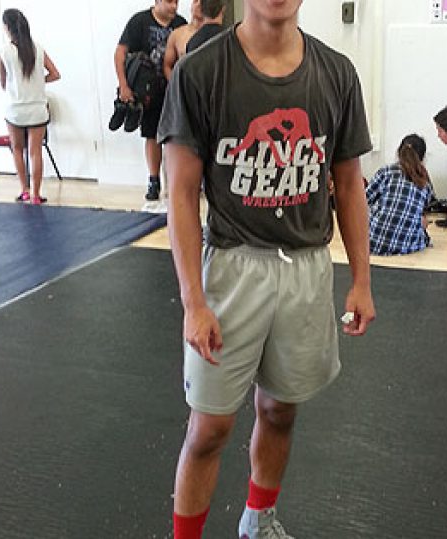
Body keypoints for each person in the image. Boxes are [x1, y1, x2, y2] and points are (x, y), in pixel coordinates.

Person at [158, 0, 376, 537]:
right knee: (210, 427)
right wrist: (193, 303)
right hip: (233, 269)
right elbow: (181, 194)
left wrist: (362, 281)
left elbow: (349, 184)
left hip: (306, 268)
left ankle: (258, 520)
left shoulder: (336, 74)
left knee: (280, 411)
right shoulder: (201, 72)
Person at [114, 0, 187, 202]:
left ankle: (176, 181)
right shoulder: (139, 22)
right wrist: (123, 85)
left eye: (177, 2)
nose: (174, 7)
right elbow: (120, 53)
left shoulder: (181, 24)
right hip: (148, 91)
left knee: (176, 137)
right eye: (170, 1)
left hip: (173, 89)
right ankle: (154, 180)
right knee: (152, 135)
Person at [0, 8, 60, 205]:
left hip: (15, 109)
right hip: (37, 109)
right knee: (35, 151)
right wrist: (38, 83)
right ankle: (36, 195)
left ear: (7, 27)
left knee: (17, 149)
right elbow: (55, 74)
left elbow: (2, 83)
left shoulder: (3, 53)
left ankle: (24, 190)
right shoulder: (38, 49)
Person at [367, 134, 433, 255]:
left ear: (399, 152)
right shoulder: (425, 182)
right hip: (405, 247)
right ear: (422, 158)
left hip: (372, 243)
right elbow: (424, 207)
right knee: (421, 222)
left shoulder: (387, 171)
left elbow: (364, 199)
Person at [163, 0, 203, 81]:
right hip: (183, 84)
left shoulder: (216, 34)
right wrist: (175, 85)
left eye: (202, 2)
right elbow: (167, 66)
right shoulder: (177, 34)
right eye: (195, 1)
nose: (198, 5)